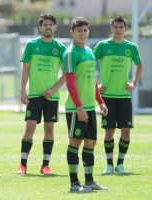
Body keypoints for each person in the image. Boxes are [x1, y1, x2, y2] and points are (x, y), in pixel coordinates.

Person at [16, 14, 66, 175]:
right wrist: (23, 90)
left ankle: (45, 165)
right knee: (30, 127)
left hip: (52, 96)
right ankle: (22, 165)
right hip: (35, 95)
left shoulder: (60, 48)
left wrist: (54, 89)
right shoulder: (31, 45)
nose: (48, 27)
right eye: (45, 24)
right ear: (40, 27)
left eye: (51, 24)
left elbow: (66, 74)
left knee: (49, 128)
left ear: (55, 27)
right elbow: (25, 70)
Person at [63, 17, 108, 192]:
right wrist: (79, 107)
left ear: (88, 32)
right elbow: (70, 83)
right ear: (72, 32)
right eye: (79, 30)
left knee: (90, 143)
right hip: (77, 108)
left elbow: (92, 81)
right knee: (75, 142)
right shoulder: (70, 53)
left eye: (85, 30)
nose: (82, 33)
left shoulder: (90, 51)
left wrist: (101, 102)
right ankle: (74, 184)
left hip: (90, 107)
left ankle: (89, 182)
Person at [94, 15, 143, 174]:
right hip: (107, 96)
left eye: (121, 27)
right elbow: (89, 64)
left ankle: (120, 164)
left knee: (126, 130)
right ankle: (109, 165)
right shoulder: (102, 46)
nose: (118, 29)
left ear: (125, 29)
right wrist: (97, 85)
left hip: (124, 97)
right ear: (111, 28)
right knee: (109, 131)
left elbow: (139, 65)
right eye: (115, 27)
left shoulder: (131, 47)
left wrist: (134, 82)